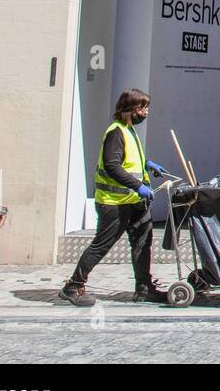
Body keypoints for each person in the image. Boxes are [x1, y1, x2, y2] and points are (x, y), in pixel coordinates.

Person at [61, 89, 171, 306]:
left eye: (147, 107)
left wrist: (147, 164)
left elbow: (128, 160)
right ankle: (73, 286)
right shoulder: (116, 132)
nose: (146, 112)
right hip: (114, 204)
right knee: (101, 245)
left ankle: (144, 288)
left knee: (142, 244)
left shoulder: (128, 131)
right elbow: (112, 165)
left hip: (134, 203)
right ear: (129, 110)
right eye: (142, 108)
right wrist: (138, 185)